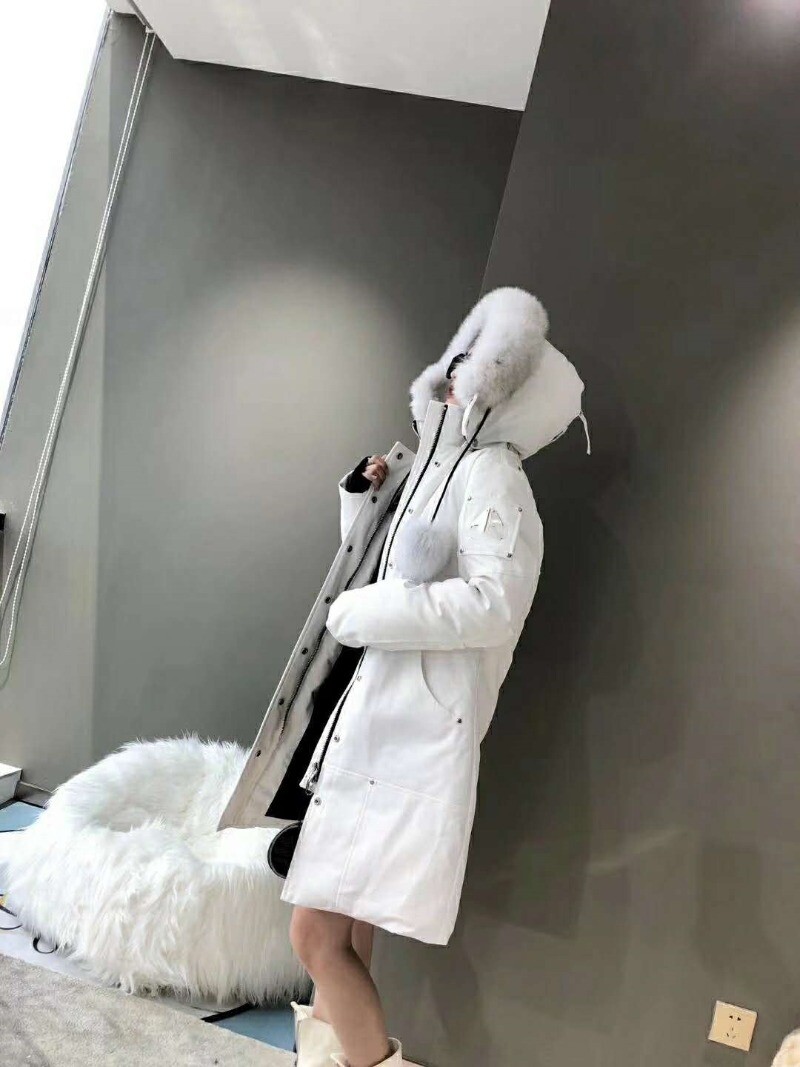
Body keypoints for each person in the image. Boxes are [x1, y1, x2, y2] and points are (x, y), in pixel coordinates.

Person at [217, 287, 587, 1067]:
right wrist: (363, 498)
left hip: (407, 738)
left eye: (473, 372)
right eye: (456, 365)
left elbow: (491, 602)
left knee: (314, 935)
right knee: (348, 927)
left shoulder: (494, 476)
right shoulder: (433, 465)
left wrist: (363, 614)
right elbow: (392, 564)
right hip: (372, 719)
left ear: (503, 391)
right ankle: (329, 1056)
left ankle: (365, 1060)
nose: (454, 382)